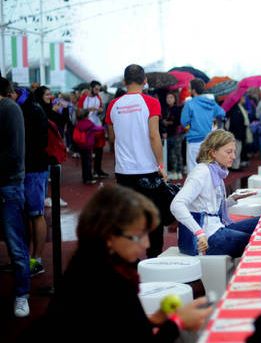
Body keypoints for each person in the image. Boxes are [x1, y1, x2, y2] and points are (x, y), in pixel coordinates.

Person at [23, 185, 212, 342]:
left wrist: (154, 319)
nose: (146, 244)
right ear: (109, 237)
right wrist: (177, 322)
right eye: (138, 236)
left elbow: (119, 325)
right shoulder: (105, 281)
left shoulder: (93, 264)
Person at [106, 64, 167, 258]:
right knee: (152, 215)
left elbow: (112, 138)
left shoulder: (113, 105)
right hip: (147, 168)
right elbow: (154, 136)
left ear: (124, 82)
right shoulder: (151, 102)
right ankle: (154, 258)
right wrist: (160, 164)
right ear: (145, 80)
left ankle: (129, 257)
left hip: (124, 170)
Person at [170, 130, 259, 258]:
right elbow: (176, 205)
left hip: (215, 228)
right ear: (213, 152)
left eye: (233, 151)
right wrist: (199, 233)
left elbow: (209, 206)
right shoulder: (202, 172)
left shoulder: (215, 170)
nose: (233, 156)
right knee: (255, 241)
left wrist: (231, 200)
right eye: (229, 152)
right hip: (205, 238)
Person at [0, 77, 31, 317]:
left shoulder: (10, 109)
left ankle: (22, 294)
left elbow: (14, 152)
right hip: (8, 183)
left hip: (9, 185)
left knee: (15, 244)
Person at [20, 86, 50, 276]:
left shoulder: (32, 110)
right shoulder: (29, 109)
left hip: (34, 169)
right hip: (29, 168)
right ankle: (28, 258)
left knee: (35, 213)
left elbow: (38, 142)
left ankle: (36, 259)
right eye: (47, 95)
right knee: (28, 214)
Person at [181, 78, 226, 173]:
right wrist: (212, 118)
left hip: (194, 140)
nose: (188, 90)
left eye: (189, 88)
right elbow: (222, 113)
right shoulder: (211, 102)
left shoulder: (189, 103)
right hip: (208, 140)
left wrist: (189, 126)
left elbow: (184, 122)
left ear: (193, 90)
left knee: (193, 170)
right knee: (208, 169)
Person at [77, 80, 108, 178]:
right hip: (87, 127)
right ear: (91, 88)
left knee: (99, 149)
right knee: (88, 152)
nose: (98, 91)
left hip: (97, 126)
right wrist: (89, 110)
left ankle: (98, 170)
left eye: (99, 89)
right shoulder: (83, 98)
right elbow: (79, 112)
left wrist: (100, 110)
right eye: (96, 89)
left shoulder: (98, 97)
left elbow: (101, 109)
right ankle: (88, 174)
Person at [162, 92, 184, 180]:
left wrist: (167, 122)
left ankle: (177, 171)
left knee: (175, 153)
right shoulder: (166, 109)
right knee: (173, 153)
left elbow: (178, 121)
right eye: (168, 97)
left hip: (176, 133)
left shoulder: (178, 109)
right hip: (169, 134)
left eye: (171, 97)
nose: (169, 99)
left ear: (175, 99)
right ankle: (177, 172)